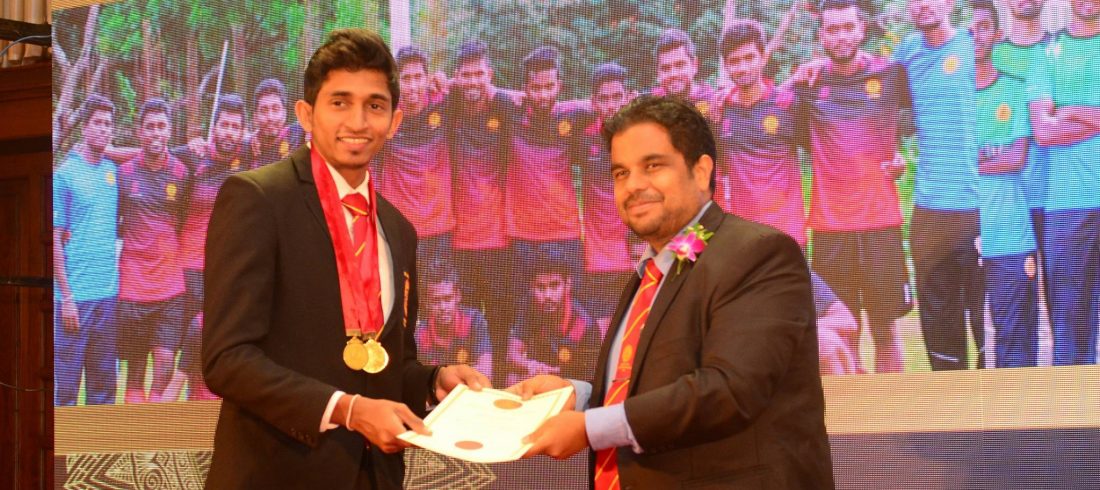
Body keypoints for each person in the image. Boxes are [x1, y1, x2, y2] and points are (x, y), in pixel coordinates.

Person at [202, 29, 489, 489]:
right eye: (340, 102)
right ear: (306, 113)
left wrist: (434, 382)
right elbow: (228, 359)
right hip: (277, 475)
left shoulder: (398, 229)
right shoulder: (257, 198)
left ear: (394, 121)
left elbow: (387, 367)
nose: (358, 121)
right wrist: (347, 410)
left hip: (374, 477)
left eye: (375, 105)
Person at [511, 96, 833, 488]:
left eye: (653, 166)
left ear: (701, 171)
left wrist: (590, 427)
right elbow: (656, 388)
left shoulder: (759, 253)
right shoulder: (651, 272)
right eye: (621, 173)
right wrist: (575, 396)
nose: (633, 185)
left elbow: (729, 391)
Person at [797, 0, 914, 373]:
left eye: (848, 27)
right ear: (821, 36)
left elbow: (915, 124)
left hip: (880, 223)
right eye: (833, 29)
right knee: (842, 332)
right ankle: (854, 412)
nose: (841, 36)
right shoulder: (808, 86)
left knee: (885, 330)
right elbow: (766, 106)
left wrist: (900, 156)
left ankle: (891, 409)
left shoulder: (892, 75)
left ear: (862, 29)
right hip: (831, 229)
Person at [895, 0, 986, 370]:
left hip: (979, 206)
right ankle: (949, 401)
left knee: (987, 321)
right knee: (939, 326)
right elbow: (875, 96)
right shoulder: (906, 53)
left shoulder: (973, 43)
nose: (923, 6)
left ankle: (995, 402)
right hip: (930, 210)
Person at [1027, 0, 1100, 365]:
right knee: (1071, 327)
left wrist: (1069, 110)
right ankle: (1075, 402)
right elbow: (1043, 131)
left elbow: (1055, 122)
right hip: (1068, 203)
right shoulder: (1047, 53)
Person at [972, 0, 1040, 368]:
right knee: (967, 341)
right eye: (967, 30)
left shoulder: (1013, 89)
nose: (975, 36)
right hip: (961, 234)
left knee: (1016, 338)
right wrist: (985, 160)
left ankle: (1024, 406)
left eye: (983, 27)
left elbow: (1016, 158)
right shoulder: (950, 96)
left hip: (1010, 233)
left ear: (997, 34)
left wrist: (970, 163)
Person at [168, 93, 248, 401]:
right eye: (224, 125)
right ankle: (178, 390)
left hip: (226, 268)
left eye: (235, 127)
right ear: (214, 127)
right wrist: (109, 149)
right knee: (198, 331)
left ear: (243, 132)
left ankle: (197, 403)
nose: (229, 132)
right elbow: (154, 153)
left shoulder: (249, 159)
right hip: (190, 266)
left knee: (210, 337)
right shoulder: (193, 157)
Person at [444, 40, 516, 382]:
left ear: (490, 74)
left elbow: (541, 103)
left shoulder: (504, 106)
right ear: (457, 77)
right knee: (469, 318)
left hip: (499, 238)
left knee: (500, 316)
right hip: (460, 239)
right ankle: (469, 383)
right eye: (466, 75)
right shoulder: (449, 106)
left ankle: (498, 381)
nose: (472, 81)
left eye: (479, 74)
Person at [116, 98, 190, 403]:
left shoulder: (182, 174)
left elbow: (183, 221)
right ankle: (135, 430)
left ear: (170, 131)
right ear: (140, 132)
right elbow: (116, 222)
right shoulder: (124, 174)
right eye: (150, 127)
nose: (156, 133)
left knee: (163, 368)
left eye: (161, 126)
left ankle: (156, 428)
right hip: (133, 287)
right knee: (134, 376)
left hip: (170, 287)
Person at [714, 21, 809, 248]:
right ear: (725, 65)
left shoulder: (788, 105)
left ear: (763, 57)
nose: (743, 68)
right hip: (744, 239)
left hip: (787, 235)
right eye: (734, 61)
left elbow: (823, 149)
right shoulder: (720, 111)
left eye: (750, 58)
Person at [53, 94, 120, 406]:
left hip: (107, 295)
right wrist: (66, 297)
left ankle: (101, 441)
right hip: (75, 300)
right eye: (98, 123)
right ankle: (64, 442)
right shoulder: (64, 175)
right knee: (66, 391)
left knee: (104, 390)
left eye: (108, 124)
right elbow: (54, 240)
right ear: (84, 127)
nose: (104, 129)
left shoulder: (112, 171)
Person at [375, 45, 455, 285]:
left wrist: (447, 81)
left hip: (440, 227)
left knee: (437, 296)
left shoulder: (445, 105)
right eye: (406, 78)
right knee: (404, 298)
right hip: (400, 229)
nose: (412, 86)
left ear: (428, 78)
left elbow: (475, 86)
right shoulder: (385, 116)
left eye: (418, 77)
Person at [576, 62, 636, 336]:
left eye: (617, 97)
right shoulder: (582, 136)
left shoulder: (645, 137)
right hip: (597, 256)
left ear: (628, 97)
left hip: (633, 254)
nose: (611, 105)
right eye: (604, 98)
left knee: (635, 329)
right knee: (604, 333)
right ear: (593, 102)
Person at [506, 245, 600, 386]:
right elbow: (512, 353)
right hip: (539, 375)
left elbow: (590, 376)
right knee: (512, 377)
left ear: (567, 284)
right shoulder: (529, 307)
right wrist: (531, 365)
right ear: (532, 287)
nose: (547, 296)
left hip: (572, 382)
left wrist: (553, 375)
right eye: (540, 287)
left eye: (555, 285)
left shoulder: (584, 322)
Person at [414, 265, 493, 378]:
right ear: (426, 303)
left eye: (448, 299)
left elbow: (486, 371)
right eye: (435, 301)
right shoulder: (419, 334)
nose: (443, 307)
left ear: (458, 296)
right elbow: (419, 378)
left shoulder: (474, 320)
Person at [652, 28, 716, 117]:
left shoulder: (715, 105)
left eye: (680, 65)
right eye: (665, 68)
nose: (673, 74)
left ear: (695, 65)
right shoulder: (652, 106)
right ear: (658, 72)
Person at [247, 78, 305, 168]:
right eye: (264, 110)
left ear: (285, 112)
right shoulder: (249, 148)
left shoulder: (299, 134)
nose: (270, 117)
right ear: (255, 116)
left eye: (275, 109)